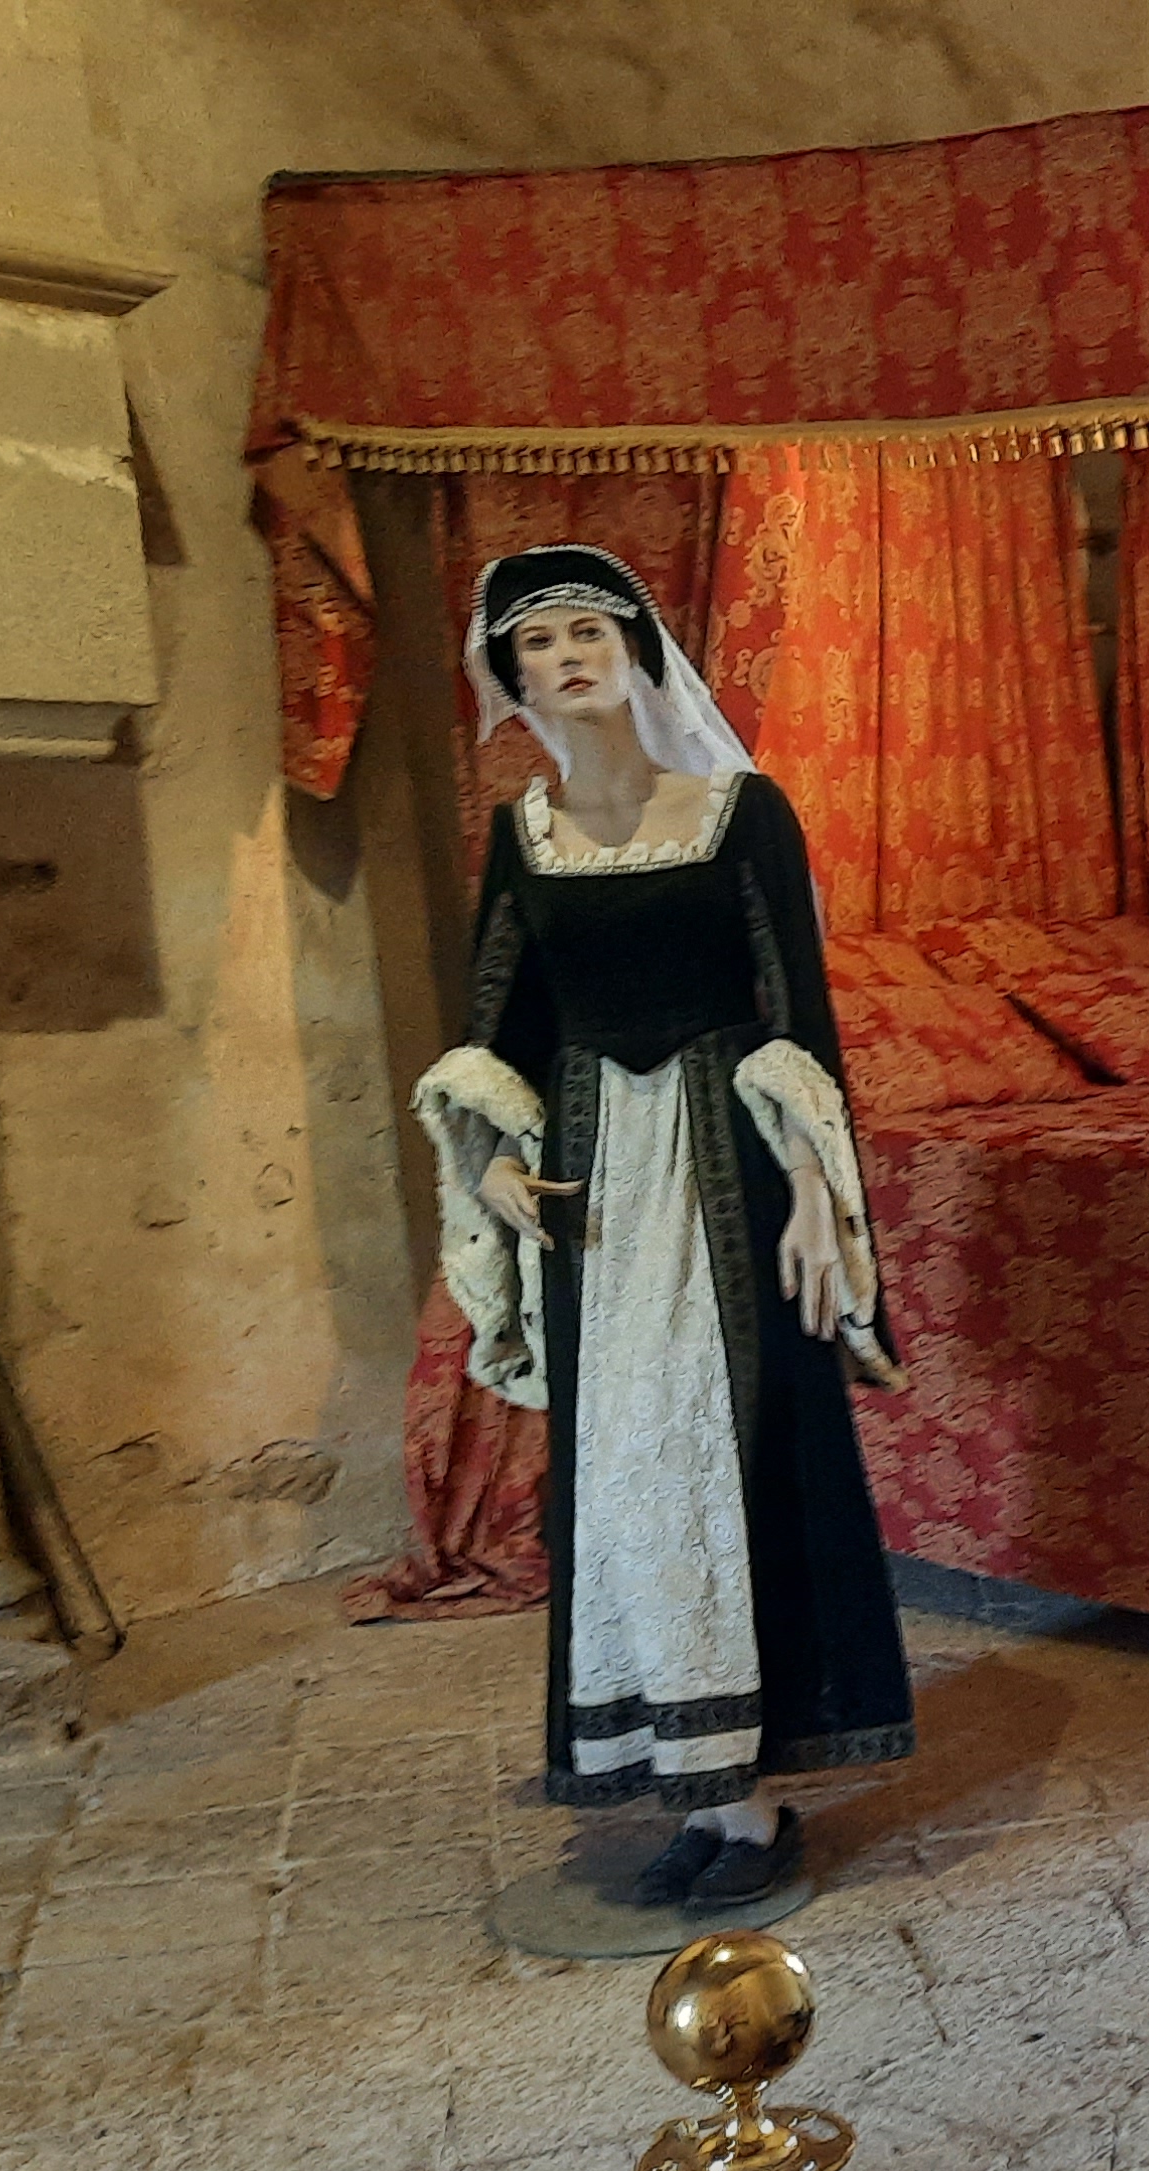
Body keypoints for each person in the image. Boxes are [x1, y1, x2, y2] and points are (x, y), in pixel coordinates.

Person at [408, 546, 914, 1909]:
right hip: (594, 1193)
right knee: (626, 1470)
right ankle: (695, 1780)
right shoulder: (523, 837)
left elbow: (795, 1013)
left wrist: (814, 1190)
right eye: (540, 643)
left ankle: (754, 1801)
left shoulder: (741, 813)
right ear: (510, 682)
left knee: (736, 1456)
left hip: (732, 1180)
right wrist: (488, 1162)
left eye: (590, 630)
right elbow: (495, 1025)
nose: (569, 656)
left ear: (634, 651)